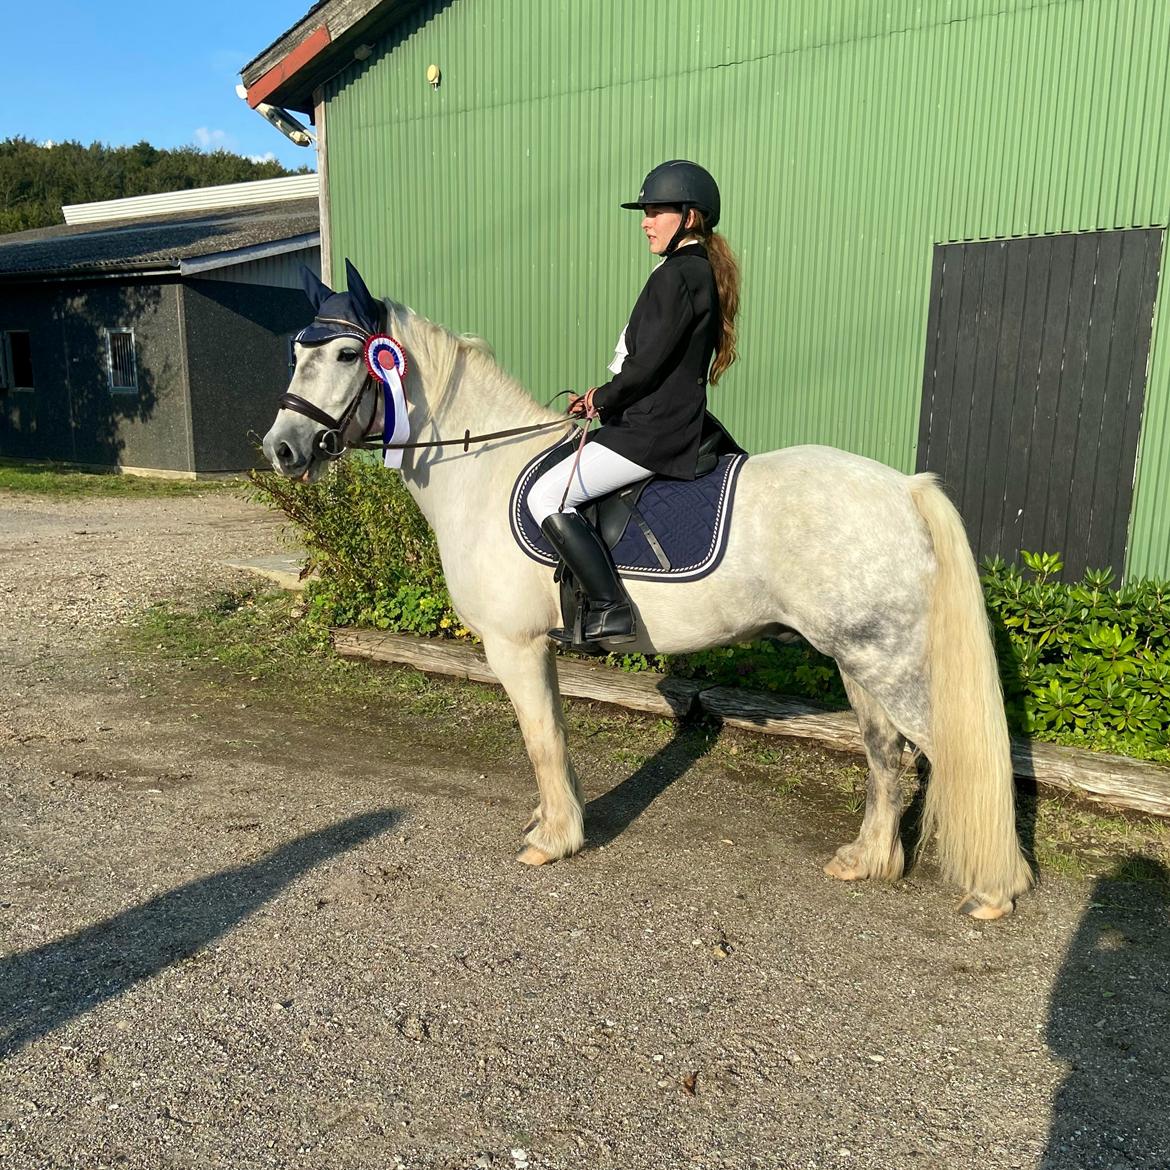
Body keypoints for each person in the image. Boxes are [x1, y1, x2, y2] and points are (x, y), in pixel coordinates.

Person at [527, 159, 741, 646]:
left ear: (689, 217)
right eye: (644, 211)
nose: (645, 221)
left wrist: (600, 398)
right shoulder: (693, 272)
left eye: (656, 210)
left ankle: (609, 608)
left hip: (651, 432)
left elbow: (646, 368)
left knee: (547, 496)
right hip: (658, 421)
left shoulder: (676, 276)